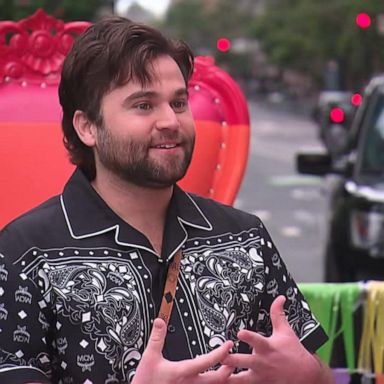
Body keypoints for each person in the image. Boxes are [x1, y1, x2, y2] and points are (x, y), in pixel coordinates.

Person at [0, 16, 334, 384]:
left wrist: (308, 375)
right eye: (143, 105)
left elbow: (316, 371)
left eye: (178, 103)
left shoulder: (245, 238)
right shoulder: (24, 253)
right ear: (87, 127)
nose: (170, 121)